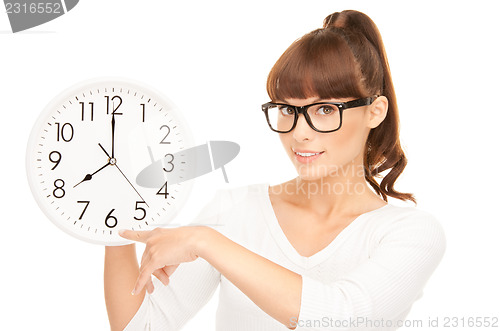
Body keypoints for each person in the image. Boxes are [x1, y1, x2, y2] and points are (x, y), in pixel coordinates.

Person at [104, 9, 446, 331]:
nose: (299, 132)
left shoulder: (409, 233)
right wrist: (110, 218)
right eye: (286, 108)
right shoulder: (236, 211)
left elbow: (343, 317)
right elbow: (143, 325)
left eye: (325, 109)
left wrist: (206, 241)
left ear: (375, 111)